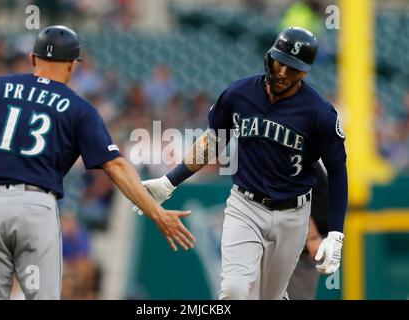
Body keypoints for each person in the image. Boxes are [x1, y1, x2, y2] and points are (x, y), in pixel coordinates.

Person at [0, 25, 195, 300]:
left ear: (33, 58)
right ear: (72, 66)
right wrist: (157, 213)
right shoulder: (78, 108)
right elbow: (115, 166)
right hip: (35, 208)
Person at [136, 27, 348, 299]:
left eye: (293, 68)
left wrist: (336, 234)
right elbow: (212, 142)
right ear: (270, 56)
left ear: (305, 72)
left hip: (293, 216)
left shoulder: (319, 112)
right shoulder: (239, 93)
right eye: (281, 62)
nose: (283, 72)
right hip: (245, 206)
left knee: (269, 297)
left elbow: (338, 170)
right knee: (234, 291)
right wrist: (169, 181)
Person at [287, 160, 328, 300]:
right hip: (298, 244)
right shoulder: (298, 151)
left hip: (305, 242)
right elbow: (291, 198)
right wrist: (312, 236)